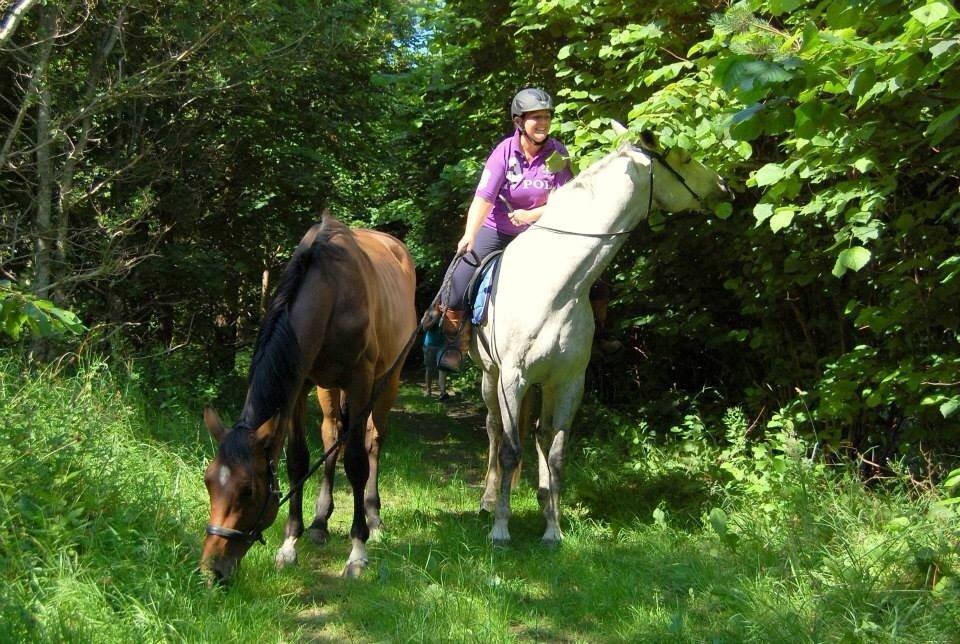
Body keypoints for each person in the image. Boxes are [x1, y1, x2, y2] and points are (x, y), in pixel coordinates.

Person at [436, 87, 574, 372]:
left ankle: (594, 336)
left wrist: (532, 214)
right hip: (497, 230)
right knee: (458, 278)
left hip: (541, 232)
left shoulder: (557, 153)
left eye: (547, 116)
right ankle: (454, 345)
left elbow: (566, 199)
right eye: (536, 117)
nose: (543, 123)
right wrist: (469, 234)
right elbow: (484, 198)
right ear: (518, 122)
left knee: (588, 272)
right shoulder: (504, 152)